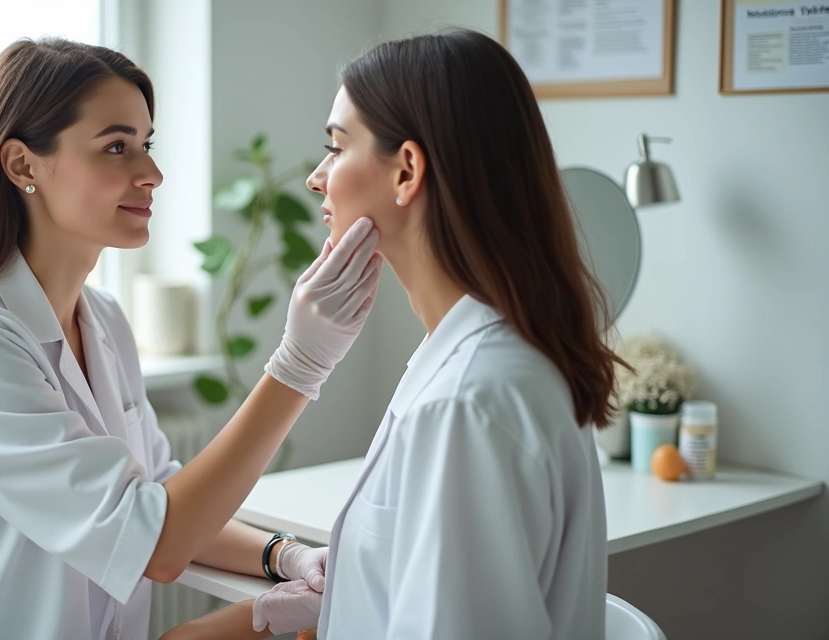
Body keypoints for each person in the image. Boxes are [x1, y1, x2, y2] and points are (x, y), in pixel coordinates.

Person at [0, 38, 383, 639]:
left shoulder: (100, 320)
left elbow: (155, 498)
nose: (151, 173)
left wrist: (284, 556)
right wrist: (299, 364)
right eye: (116, 147)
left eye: (145, 145)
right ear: (23, 165)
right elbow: (157, 543)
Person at [160, 29, 620, 640]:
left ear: (406, 171)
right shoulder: (474, 357)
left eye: (336, 146)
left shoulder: (466, 401)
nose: (316, 178)